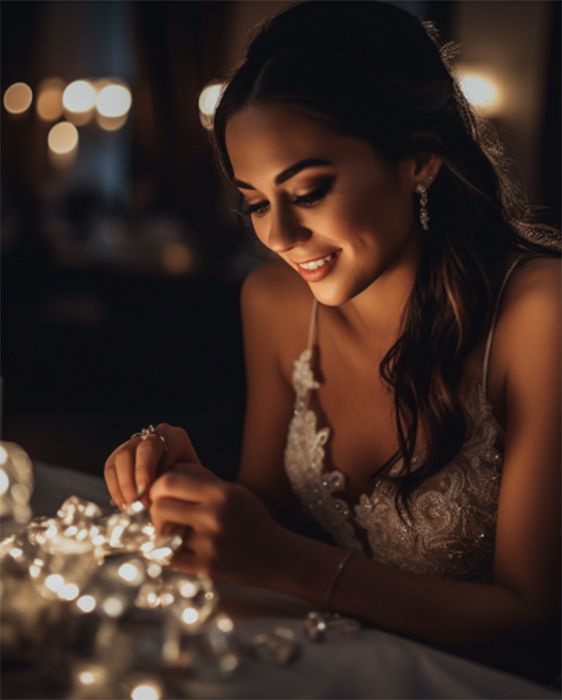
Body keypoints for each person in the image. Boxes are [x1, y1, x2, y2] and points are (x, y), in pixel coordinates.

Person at [103, 1, 561, 686]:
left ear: (420, 163)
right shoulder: (274, 303)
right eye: (256, 202)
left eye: (309, 191)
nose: (279, 236)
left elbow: (537, 629)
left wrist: (287, 563)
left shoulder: (540, 315)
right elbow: (273, 518)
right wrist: (196, 491)